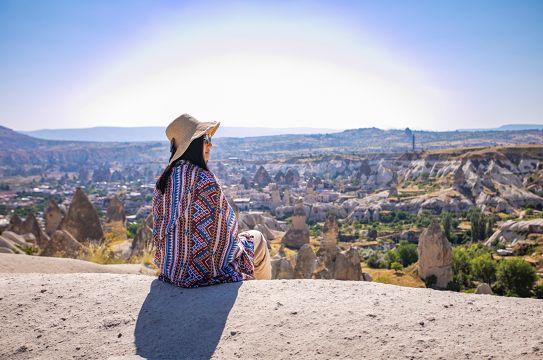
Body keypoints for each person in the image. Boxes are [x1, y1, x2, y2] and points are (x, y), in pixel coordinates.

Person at [152, 114, 272, 288]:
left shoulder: (164, 180)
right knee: (258, 238)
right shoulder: (204, 180)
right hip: (205, 273)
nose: (210, 144)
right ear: (193, 144)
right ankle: (263, 293)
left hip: (171, 271)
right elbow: (226, 233)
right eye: (206, 138)